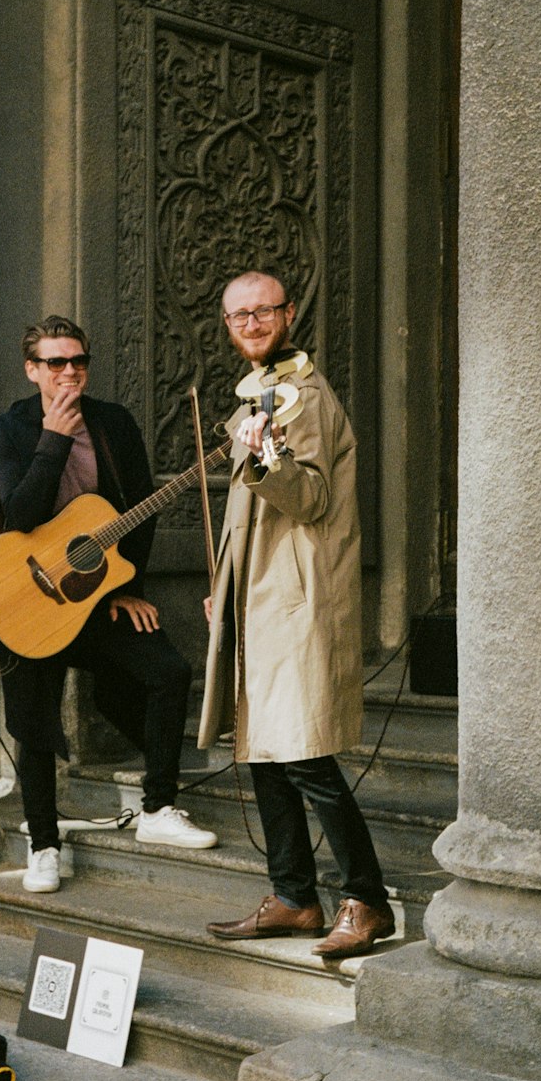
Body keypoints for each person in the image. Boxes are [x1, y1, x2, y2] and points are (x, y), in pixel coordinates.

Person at [198, 273, 394, 959]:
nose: (252, 323)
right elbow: (248, 521)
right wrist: (224, 585)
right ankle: (293, 897)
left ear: (287, 314)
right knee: (265, 755)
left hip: (298, 600)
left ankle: (367, 900)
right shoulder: (263, 391)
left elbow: (307, 498)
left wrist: (264, 453)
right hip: (262, 598)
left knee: (306, 755)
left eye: (263, 311)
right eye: (238, 315)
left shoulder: (300, 396)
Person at [0, 314, 216, 893]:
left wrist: (126, 587)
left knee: (168, 670)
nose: (70, 372)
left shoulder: (114, 424)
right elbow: (21, 516)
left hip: (96, 594)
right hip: (29, 593)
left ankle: (158, 809)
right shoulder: (15, 427)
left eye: (79, 361)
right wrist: (55, 439)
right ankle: (43, 843)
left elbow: (140, 508)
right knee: (35, 713)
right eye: (56, 362)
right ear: (31, 369)